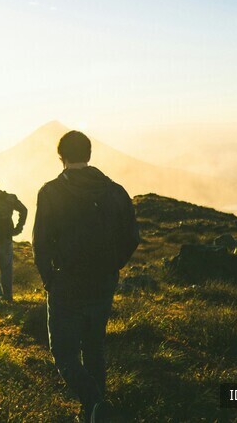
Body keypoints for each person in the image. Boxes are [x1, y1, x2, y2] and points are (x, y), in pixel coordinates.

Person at [33, 130, 140, 422]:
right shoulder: (116, 191)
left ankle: (94, 403)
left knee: (64, 354)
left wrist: (49, 279)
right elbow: (132, 237)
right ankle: (97, 409)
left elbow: (41, 243)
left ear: (61, 156)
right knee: (94, 348)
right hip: (102, 284)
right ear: (89, 154)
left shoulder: (51, 192)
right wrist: (113, 267)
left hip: (66, 284)